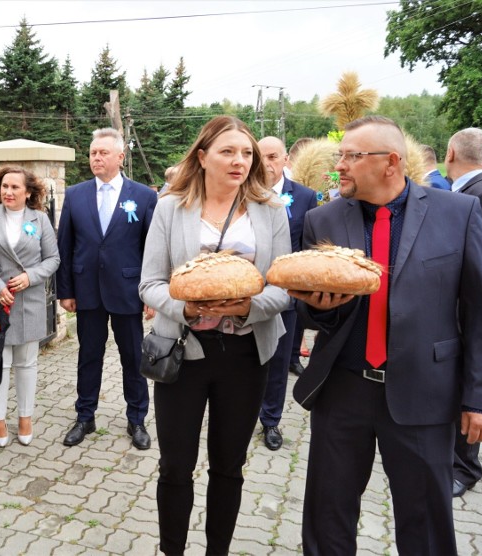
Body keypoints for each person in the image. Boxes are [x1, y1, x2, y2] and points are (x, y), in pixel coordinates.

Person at [290, 116, 482, 554]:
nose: (341, 167)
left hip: (425, 392)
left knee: (425, 522)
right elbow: (315, 313)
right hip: (343, 389)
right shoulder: (322, 219)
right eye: (340, 156)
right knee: (327, 518)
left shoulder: (457, 213)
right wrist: (318, 308)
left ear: (391, 162)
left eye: (352, 156)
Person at [139, 115, 291, 554]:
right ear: (202, 157)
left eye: (247, 153)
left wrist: (249, 305)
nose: (239, 161)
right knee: (175, 466)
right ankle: (172, 550)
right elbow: (149, 282)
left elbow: (281, 286)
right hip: (183, 353)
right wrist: (184, 307)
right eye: (228, 151)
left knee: (229, 466)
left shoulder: (270, 211)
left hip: (246, 354)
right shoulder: (170, 207)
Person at [57, 127, 158, 450]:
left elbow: (151, 249)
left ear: (120, 156)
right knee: (89, 356)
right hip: (87, 291)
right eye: (92, 153)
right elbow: (66, 245)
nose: (96, 158)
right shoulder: (75, 195)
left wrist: (151, 294)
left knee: (133, 358)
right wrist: (66, 291)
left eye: (102, 153)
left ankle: (137, 419)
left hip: (128, 290)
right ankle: (85, 416)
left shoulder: (143, 196)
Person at [0, 166, 60, 447]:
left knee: (27, 363)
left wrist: (30, 276)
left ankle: (25, 417)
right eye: (4, 186)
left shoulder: (40, 219)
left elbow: (52, 259)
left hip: (28, 300)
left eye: (15, 187)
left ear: (28, 192)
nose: (8, 192)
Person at [444, 127, 482, 498]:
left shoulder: (481, 194)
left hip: (466, 306)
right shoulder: (473, 190)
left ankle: (465, 467)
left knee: (469, 380)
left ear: (450, 152)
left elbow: (477, 262)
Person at [256, 136, 317, 451]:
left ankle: (270, 421)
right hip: (248, 295)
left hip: (285, 298)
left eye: (272, 156)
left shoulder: (305, 197)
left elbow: (309, 248)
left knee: (279, 362)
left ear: (284, 161)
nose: (266, 163)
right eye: (261, 156)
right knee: (248, 359)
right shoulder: (244, 193)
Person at [286, 136, 314, 372]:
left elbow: (308, 237)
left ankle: (293, 356)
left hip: (294, 269)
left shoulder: (304, 194)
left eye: (273, 157)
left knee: (295, 317)